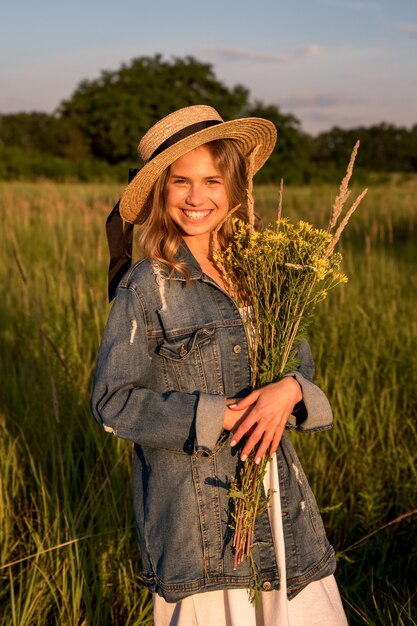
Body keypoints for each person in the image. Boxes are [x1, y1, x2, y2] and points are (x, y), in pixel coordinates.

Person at [90, 105, 348, 625]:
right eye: (180, 181)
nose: (196, 196)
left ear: (234, 185)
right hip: (197, 522)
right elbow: (111, 402)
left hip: (278, 509)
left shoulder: (264, 271)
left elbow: (302, 367)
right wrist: (221, 415)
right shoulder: (147, 285)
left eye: (211, 180)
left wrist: (290, 392)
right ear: (162, 191)